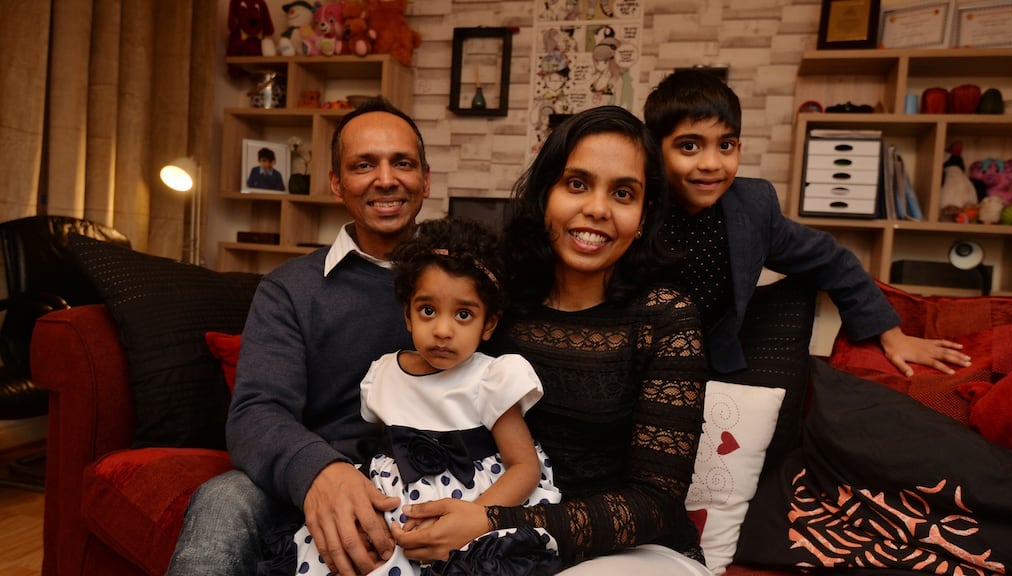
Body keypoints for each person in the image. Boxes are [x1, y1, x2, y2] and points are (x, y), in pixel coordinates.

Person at [391, 105, 713, 575]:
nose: (597, 209)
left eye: (623, 193)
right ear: (545, 196)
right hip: (495, 540)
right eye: (577, 184)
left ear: (643, 216)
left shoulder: (666, 318)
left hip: (631, 553)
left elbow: (656, 503)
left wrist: (492, 521)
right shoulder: (496, 305)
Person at [166, 97, 430, 576]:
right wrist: (320, 471)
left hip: (433, 475)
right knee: (223, 497)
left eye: (403, 163)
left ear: (425, 180)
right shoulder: (291, 287)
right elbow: (256, 412)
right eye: (363, 165)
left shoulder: (466, 283)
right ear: (336, 183)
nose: (386, 179)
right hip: (313, 471)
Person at [643, 67, 973, 377]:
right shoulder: (635, 207)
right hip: (633, 357)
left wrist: (892, 335)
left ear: (739, 148)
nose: (712, 163)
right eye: (689, 146)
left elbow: (832, 259)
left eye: (725, 145)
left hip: (712, 361)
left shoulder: (753, 208)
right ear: (655, 152)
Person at [290, 217, 561, 576]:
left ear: (489, 324)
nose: (443, 330)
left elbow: (525, 467)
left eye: (464, 314)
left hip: (475, 510)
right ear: (407, 315)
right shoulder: (383, 374)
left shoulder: (492, 377)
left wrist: (477, 517)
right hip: (396, 515)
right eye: (428, 311)